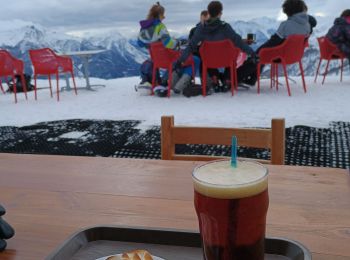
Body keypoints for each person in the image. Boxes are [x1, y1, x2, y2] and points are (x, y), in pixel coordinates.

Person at [174, 1, 255, 93]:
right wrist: (252, 53)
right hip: (226, 60)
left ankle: (214, 78)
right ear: (220, 13)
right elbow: (238, 42)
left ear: (208, 13)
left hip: (209, 61)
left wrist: (181, 60)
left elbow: (191, 46)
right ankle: (227, 79)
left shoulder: (201, 28)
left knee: (203, 55)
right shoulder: (225, 27)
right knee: (233, 53)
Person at [237, 0, 316, 86]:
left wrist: (257, 52)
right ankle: (252, 78)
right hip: (296, 55)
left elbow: (273, 42)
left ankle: (236, 78)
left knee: (260, 54)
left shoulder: (286, 25)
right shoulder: (308, 25)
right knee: (263, 53)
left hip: (281, 56)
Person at [136, 2, 178, 97]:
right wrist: (177, 43)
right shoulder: (160, 26)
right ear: (159, 15)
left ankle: (153, 81)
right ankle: (164, 83)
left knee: (150, 62)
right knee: (179, 59)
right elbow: (168, 43)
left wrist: (151, 45)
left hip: (155, 58)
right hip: (166, 59)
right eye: (163, 14)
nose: (164, 17)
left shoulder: (144, 28)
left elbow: (140, 43)